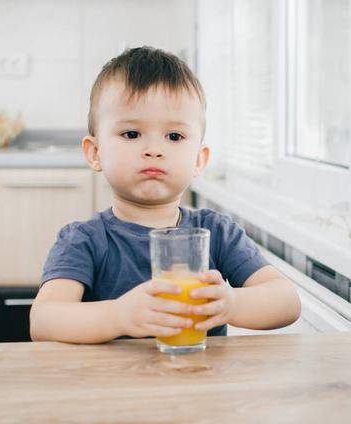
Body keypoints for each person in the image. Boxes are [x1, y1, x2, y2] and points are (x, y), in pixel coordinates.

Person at [30, 46, 301, 344]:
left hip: (199, 382)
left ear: (199, 159)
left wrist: (232, 304)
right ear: (95, 153)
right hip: (112, 386)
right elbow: (43, 321)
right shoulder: (83, 240)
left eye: (174, 137)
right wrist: (119, 315)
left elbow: (287, 302)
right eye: (132, 134)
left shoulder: (216, 232)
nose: (154, 150)